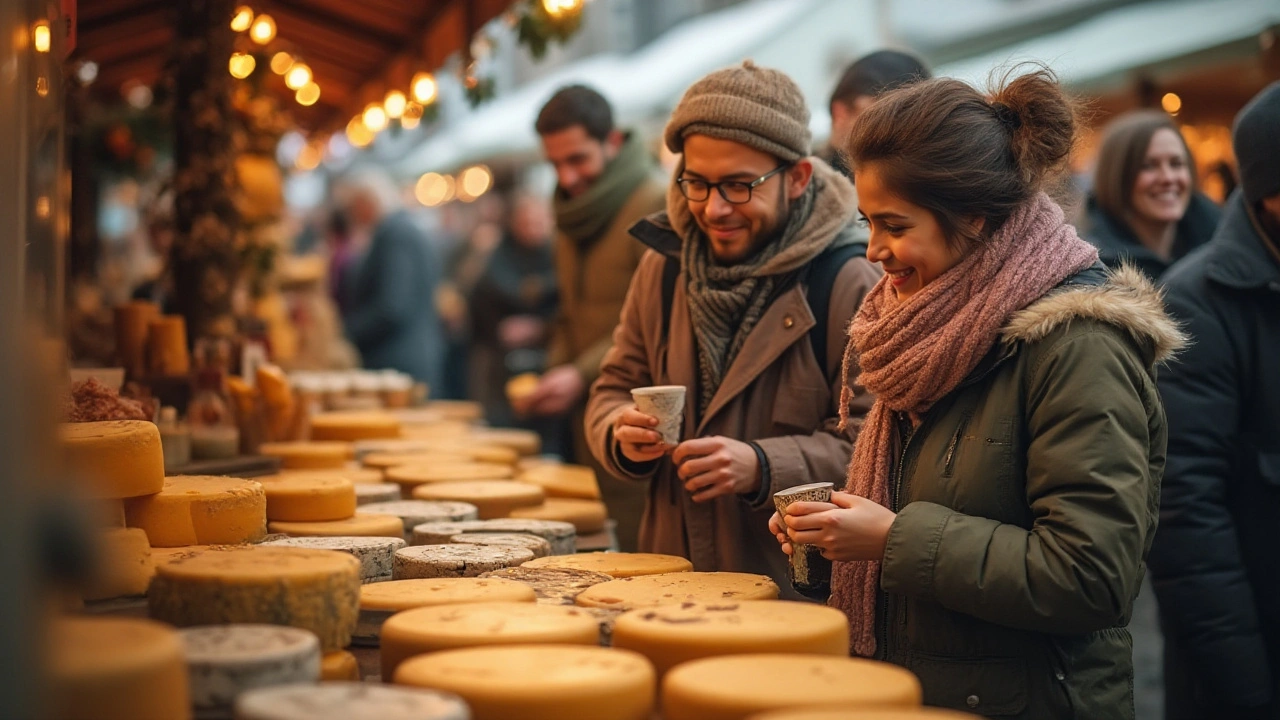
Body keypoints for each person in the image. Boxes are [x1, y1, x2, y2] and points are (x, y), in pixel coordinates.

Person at [770, 67, 1183, 718]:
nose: (874, 250)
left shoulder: (1079, 346)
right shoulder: (927, 328)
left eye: (894, 225)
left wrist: (892, 539)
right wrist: (836, 538)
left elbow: (1092, 580)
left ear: (973, 216)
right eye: (866, 223)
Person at [585, 61, 881, 595]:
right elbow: (610, 388)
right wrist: (621, 433)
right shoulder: (663, 266)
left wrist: (763, 465)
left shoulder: (848, 281)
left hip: (788, 602)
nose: (713, 208)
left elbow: (877, 445)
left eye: (739, 186)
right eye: (696, 183)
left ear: (797, 178)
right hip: (668, 582)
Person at [1148, 81, 1280, 720]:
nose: (1166, 179)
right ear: (1268, 193)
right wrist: (1250, 694)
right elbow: (1186, 521)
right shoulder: (1199, 301)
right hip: (1247, 659)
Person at [516, 85, 666, 551]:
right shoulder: (570, 215)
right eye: (555, 164)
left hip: (644, 416)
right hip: (588, 416)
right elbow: (571, 311)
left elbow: (655, 317)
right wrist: (556, 371)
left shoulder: (654, 203)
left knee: (646, 553)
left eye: (577, 159)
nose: (566, 176)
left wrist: (575, 375)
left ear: (614, 142)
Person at [336, 170, 446, 390]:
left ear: (366, 202)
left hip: (398, 360)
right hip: (406, 356)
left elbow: (392, 306)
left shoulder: (395, 235)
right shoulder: (401, 229)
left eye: (352, 207)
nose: (352, 216)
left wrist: (345, 332)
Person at [1082, 109, 1220, 279]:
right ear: (1117, 177)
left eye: (1176, 164)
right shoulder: (1093, 272)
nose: (1168, 178)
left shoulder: (1222, 247)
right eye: (1148, 166)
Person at [468, 195, 559, 432]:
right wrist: (499, 328)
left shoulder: (560, 258)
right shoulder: (499, 259)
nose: (531, 227)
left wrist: (540, 327)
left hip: (550, 361)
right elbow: (480, 304)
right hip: (502, 364)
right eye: (525, 221)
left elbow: (569, 307)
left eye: (537, 221)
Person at [822, 49, 931, 177]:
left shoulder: (929, 176)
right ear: (841, 113)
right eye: (879, 121)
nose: (899, 136)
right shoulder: (806, 187)